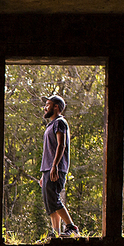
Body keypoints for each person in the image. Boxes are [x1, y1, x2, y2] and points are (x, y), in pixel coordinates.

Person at [40, 94, 80, 237]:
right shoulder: (50, 125)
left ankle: (71, 227)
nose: (45, 108)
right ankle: (56, 233)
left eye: (48, 105)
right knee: (49, 202)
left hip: (55, 168)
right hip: (48, 168)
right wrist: (44, 173)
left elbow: (61, 144)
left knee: (54, 197)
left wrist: (55, 165)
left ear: (56, 107)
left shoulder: (60, 122)